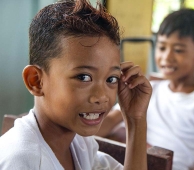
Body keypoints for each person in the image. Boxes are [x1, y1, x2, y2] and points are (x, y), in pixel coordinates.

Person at [0, 0, 152, 169]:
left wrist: (135, 119)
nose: (101, 97)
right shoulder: (21, 162)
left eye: (111, 79)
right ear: (36, 81)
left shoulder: (80, 143)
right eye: (83, 77)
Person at [98, 9, 194, 170]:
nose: (166, 57)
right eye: (162, 47)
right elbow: (110, 121)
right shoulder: (149, 90)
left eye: (178, 50)